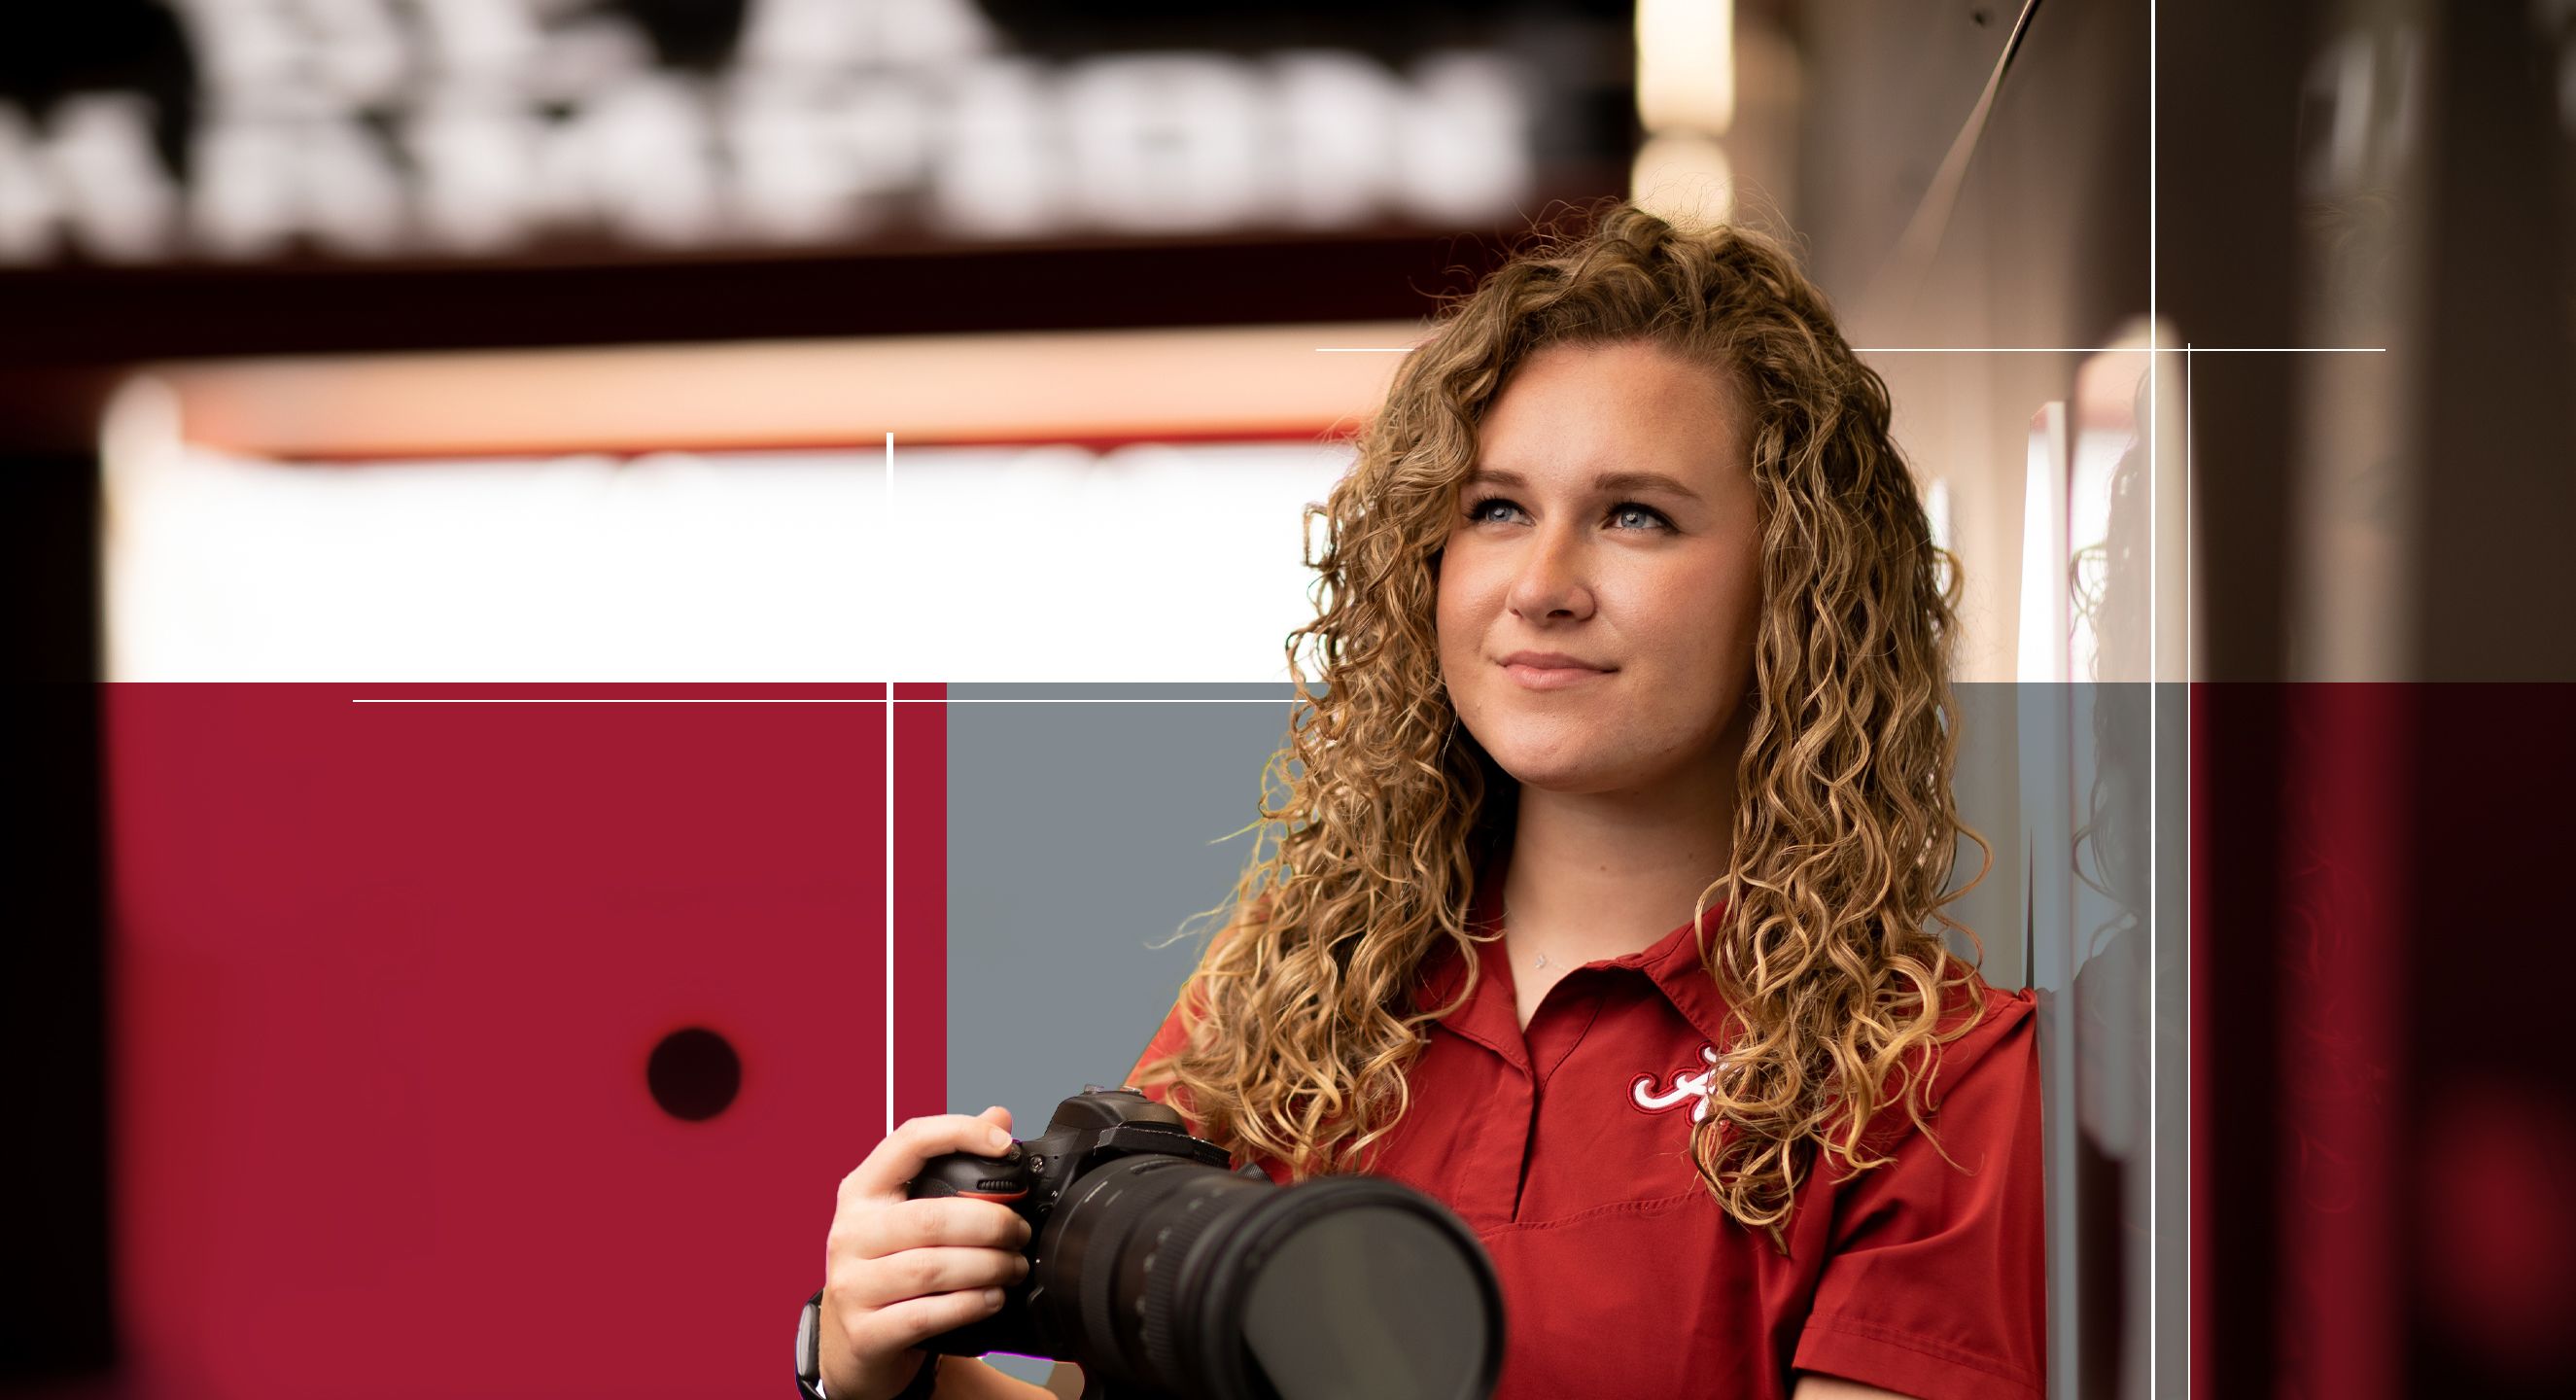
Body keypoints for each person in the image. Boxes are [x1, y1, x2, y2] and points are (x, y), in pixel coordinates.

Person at [813, 201, 2046, 1400]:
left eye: (1635, 517)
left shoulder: (1932, 1079)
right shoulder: (1289, 998)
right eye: (1496, 509)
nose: (1542, 584)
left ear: (1797, 582)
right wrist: (903, 1372)